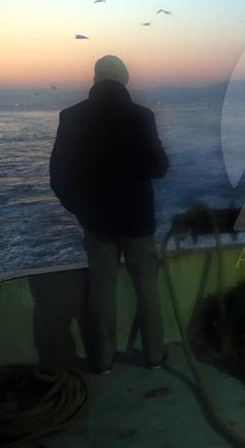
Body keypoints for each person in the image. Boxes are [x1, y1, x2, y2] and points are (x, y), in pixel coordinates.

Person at [50, 55, 169, 373]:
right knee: (147, 290)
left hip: (97, 222)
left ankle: (102, 362)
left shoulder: (71, 116)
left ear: (95, 79)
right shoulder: (141, 117)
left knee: (101, 292)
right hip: (138, 222)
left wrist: (80, 209)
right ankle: (155, 356)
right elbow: (159, 168)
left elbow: (58, 175)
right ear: (125, 78)